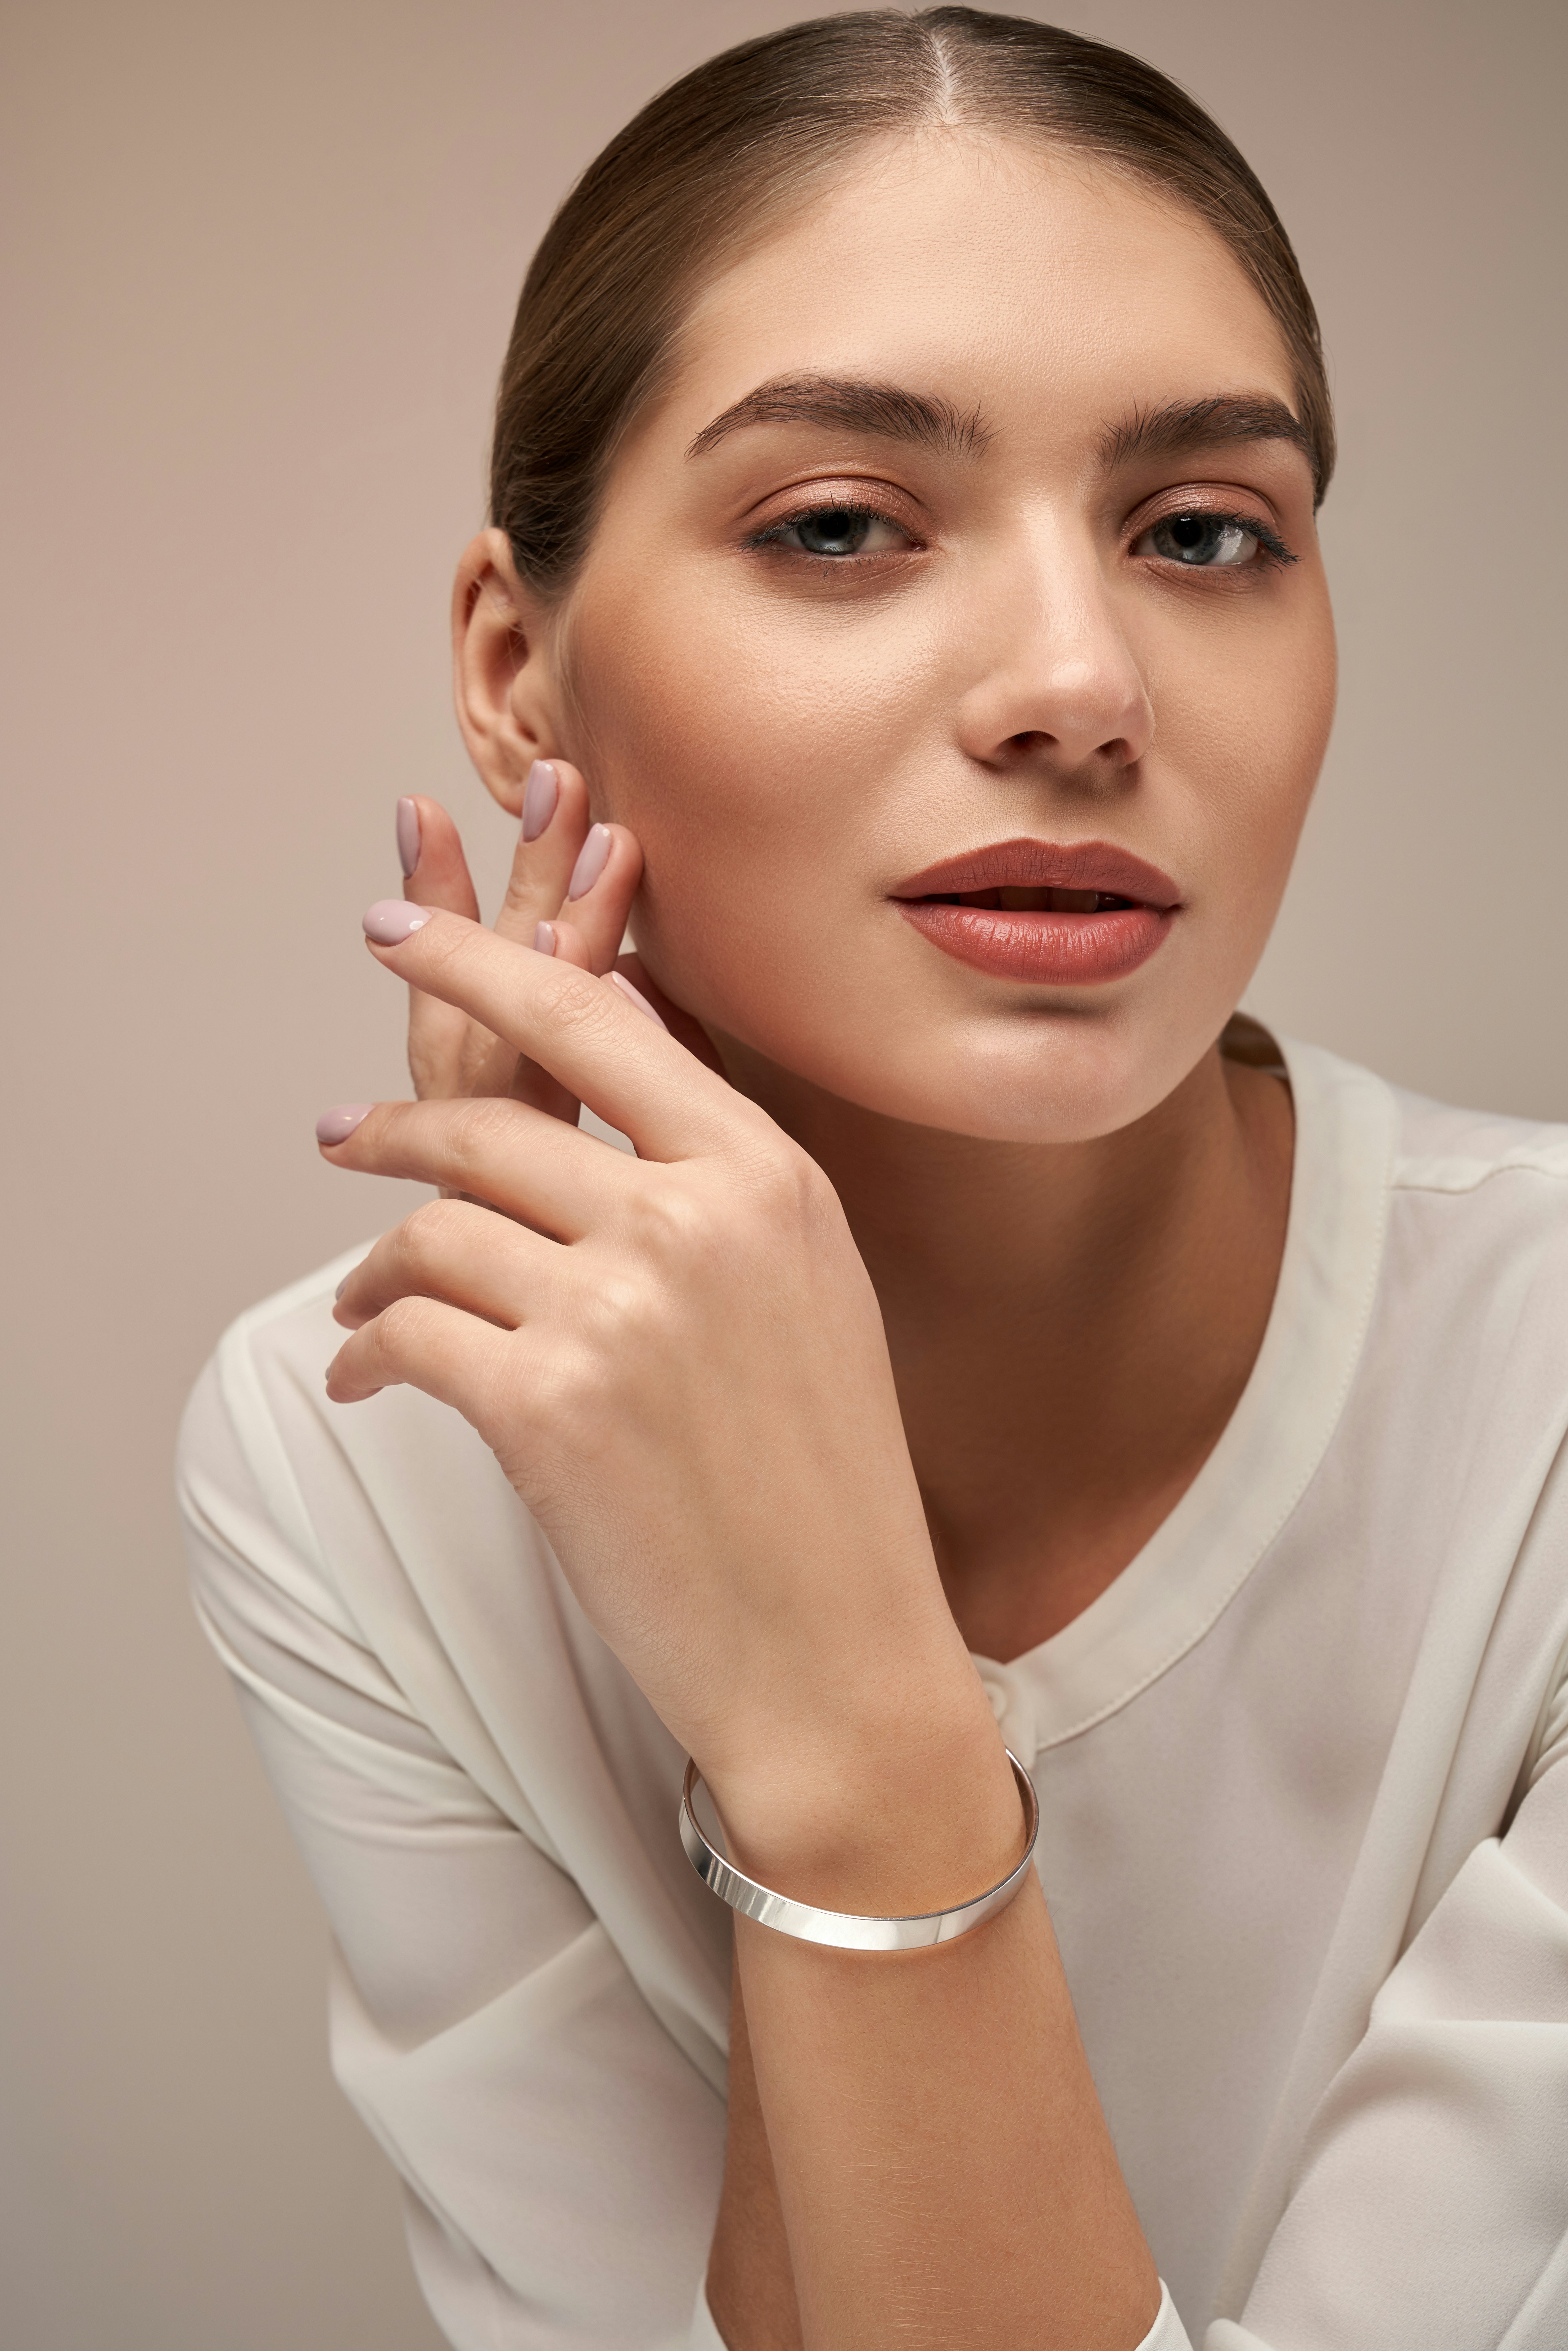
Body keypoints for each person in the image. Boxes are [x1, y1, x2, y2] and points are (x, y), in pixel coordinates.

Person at [176, 11, 1568, 2347]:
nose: (1078, 684)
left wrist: (839, 1728)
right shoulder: (361, 1460)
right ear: (516, 670)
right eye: (839, 525)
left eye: (1201, 532)